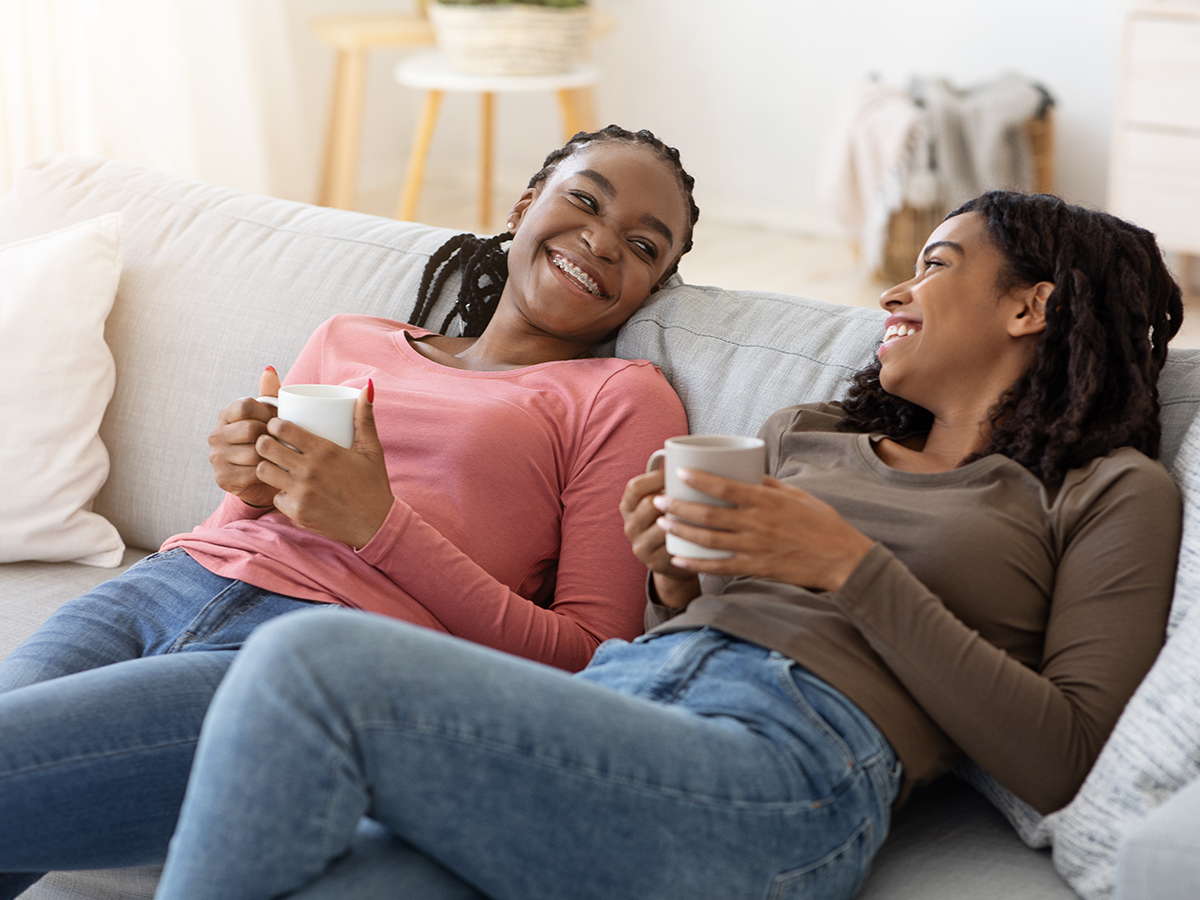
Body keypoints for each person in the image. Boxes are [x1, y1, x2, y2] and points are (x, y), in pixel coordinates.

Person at [145, 190, 1185, 900]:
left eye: (936, 267)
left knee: (308, 663)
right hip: (631, 705)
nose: (894, 293)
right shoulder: (807, 435)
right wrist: (679, 571)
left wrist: (846, 565)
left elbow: (1059, 756)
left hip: (792, 770)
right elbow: (706, 617)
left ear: (1030, 304)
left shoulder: (1106, 490)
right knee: (336, 880)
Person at [0, 125, 700, 897]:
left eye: (642, 245)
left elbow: (591, 657)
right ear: (525, 206)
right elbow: (242, 524)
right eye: (584, 200)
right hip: (162, 587)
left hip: (314, 660)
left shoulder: (621, 396)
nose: (603, 242)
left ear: (653, 283)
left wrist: (381, 526)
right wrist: (249, 478)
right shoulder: (349, 337)